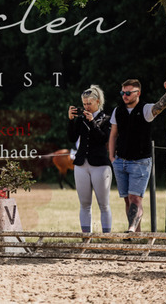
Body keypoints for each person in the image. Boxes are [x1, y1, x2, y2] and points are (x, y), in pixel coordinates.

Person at [109, 79, 166, 233]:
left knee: (135, 199)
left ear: (138, 93)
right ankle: (136, 235)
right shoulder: (117, 111)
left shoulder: (146, 109)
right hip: (120, 161)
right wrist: (112, 158)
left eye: (128, 93)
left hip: (140, 162)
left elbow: (161, 105)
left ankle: (131, 229)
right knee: (127, 201)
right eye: (122, 92)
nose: (124, 95)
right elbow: (113, 135)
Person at [67, 85, 112, 233]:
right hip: (81, 164)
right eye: (84, 104)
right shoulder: (81, 119)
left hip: (100, 164)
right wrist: (71, 120)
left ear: (98, 102)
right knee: (85, 204)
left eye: (89, 104)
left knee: (103, 204)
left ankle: (106, 237)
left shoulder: (106, 119)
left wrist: (92, 122)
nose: (86, 107)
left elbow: (103, 139)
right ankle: (86, 237)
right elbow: (72, 138)